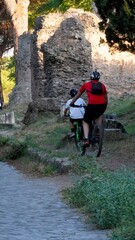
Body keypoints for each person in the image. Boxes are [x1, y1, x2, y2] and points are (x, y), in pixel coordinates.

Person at [70, 70, 108, 146]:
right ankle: (98, 130)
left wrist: (72, 103)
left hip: (92, 105)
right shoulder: (102, 85)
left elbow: (78, 95)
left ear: (91, 77)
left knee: (85, 121)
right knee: (99, 115)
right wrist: (105, 105)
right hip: (102, 105)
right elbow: (106, 98)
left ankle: (86, 139)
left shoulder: (86, 85)